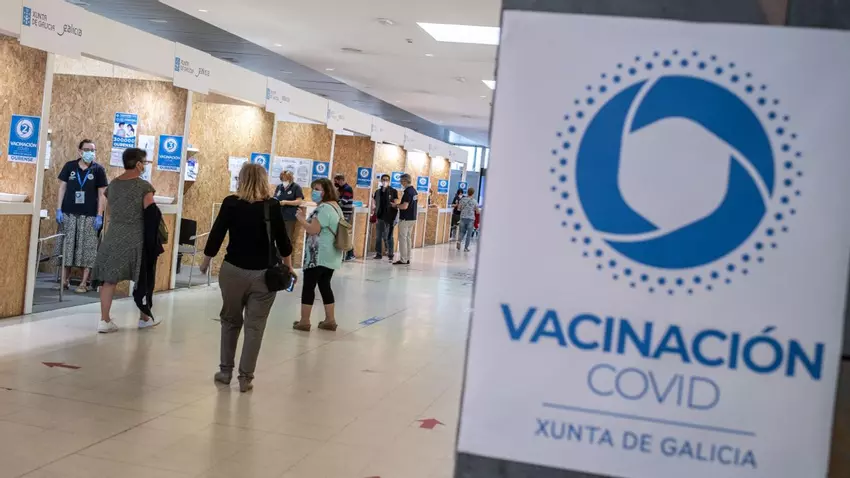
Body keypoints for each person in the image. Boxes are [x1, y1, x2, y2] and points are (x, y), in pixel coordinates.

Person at [200, 163, 293, 392]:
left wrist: (205, 261)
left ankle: (225, 372)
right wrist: (289, 268)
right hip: (264, 276)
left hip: (233, 271)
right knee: (255, 327)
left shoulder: (231, 203)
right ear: (263, 180)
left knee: (230, 321)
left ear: (241, 179)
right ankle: (245, 378)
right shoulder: (272, 206)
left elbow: (217, 234)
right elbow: (283, 241)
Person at [92, 148, 157, 333]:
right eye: (145, 162)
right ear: (138, 164)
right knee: (142, 277)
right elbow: (151, 213)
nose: (145, 166)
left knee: (109, 278)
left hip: (113, 235)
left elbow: (110, 209)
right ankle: (144, 318)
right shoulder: (144, 187)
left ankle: (104, 320)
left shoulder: (113, 185)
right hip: (136, 236)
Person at [56, 139, 108, 293]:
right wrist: (58, 209)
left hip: (90, 215)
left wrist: (99, 215)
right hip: (69, 213)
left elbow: (102, 194)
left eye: (93, 150)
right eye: (87, 150)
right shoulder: (70, 166)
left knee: (88, 249)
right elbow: (62, 188)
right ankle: (64, 280)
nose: (90, 153)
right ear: (80, 151)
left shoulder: (98, 170)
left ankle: (84, 283)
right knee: (68, 246)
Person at [293, 178, 344, 332]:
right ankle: (330, 319)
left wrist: (301, 219)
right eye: (313, 189)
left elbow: (313, 230)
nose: (314, 192)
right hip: (331, 254)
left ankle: (304, 321)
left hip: (317, 255)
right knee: (325, 285)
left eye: (317, 189)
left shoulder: (323, 208)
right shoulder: (336, 207)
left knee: (309, 286)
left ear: (326, 191)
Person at [371, 174, 398, 261]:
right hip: (380, 217)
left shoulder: (393, 191)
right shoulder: (378, 192)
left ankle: (390, 253)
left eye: (386, 180)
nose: (385, 181)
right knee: (378, 236)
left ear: (389, 181)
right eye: (383, 179)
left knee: (389, 236)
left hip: (389, 217)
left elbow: (396, 203)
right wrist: (373, 209)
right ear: (381, 181)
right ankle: (378, 254)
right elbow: (375, 203)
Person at [392, 173, 417, 265]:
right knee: (408, 239)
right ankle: (407, 258)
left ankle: (403, 259)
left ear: (405, 181)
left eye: (401, 181)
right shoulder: (414, 191)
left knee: (403, 239)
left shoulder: (407, 192)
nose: (401, 183)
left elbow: (404, 206)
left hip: (405, 219)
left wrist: (396, 205)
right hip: (412, 218)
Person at [273, 170, 304, 240]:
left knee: (287, 238)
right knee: (277, 237)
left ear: (290, 179)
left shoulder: (296, 187)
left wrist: (286, 202)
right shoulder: (279, 187)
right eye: (282, 179)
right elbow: (275, 197)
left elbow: (299, 201)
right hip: (278, 216)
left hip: (289, 217)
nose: (284, 181)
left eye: (286, 179)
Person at [334, 173, 355, 261]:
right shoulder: (340, 189)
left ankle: (351, 253)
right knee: (341, 234)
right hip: (340, 213)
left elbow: (343, 201)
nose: (336, 183)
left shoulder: (347, 189)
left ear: (341, 180)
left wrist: (333, 205)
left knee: (345, 234)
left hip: (345, 214)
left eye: (337, 181)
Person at [456, 187, 480, 252]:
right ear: (473, 193)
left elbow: (458, 209)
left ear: (467, 192)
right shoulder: (474, 201)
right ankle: (466, 248)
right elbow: (477, 212)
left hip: (463, 217)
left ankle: (459, 241)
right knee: (469, 234)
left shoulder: (462, 199)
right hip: (471, 219)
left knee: (462, 232)